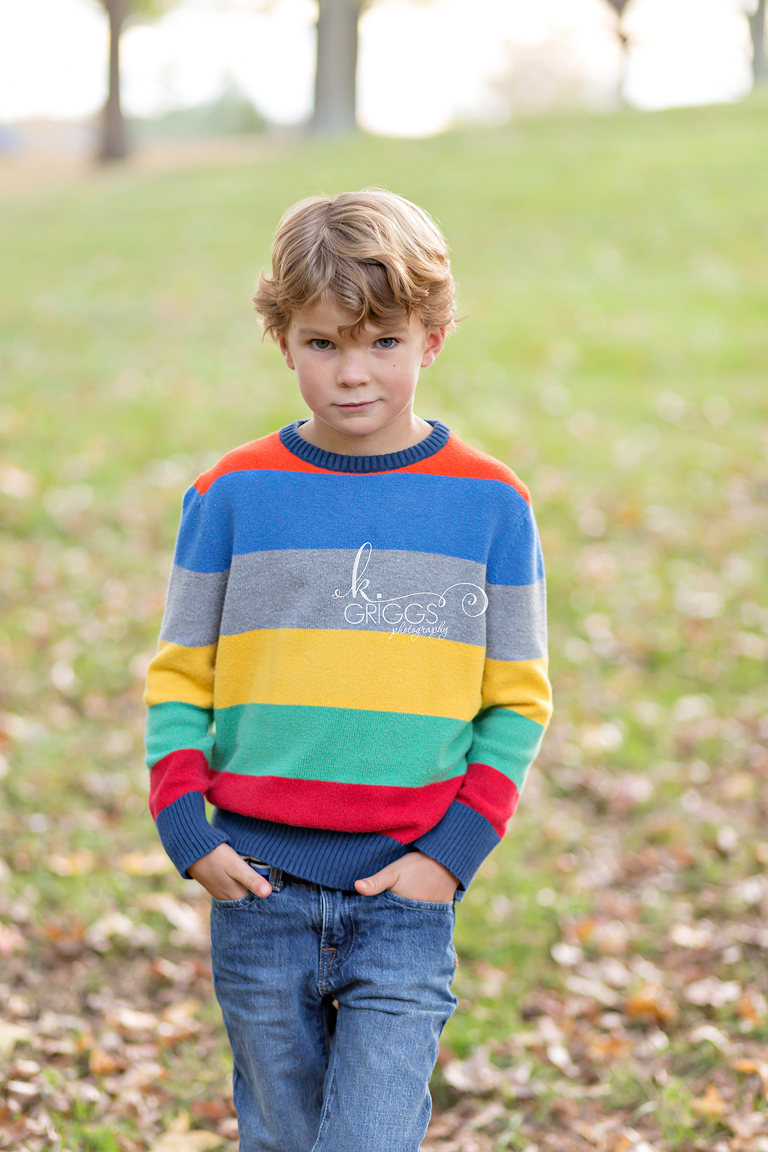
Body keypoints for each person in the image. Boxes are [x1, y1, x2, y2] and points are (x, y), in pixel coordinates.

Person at [144, 188, 552, 1152]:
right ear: (282, 339)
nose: (353, 374)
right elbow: (179, 674)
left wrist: (447, 859)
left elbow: (517, 702)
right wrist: (183, 824)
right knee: (280, 1138)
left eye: (384, 343)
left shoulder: (491, 506)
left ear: (434, 338)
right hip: (259, 889)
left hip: (405, 897)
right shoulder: (232, 493)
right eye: (323, 343)